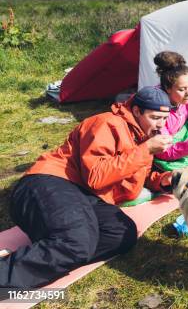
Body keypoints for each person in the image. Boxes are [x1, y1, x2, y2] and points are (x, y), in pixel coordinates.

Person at [0, 87, 175, 289]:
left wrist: (162, 180)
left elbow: (134, 173)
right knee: (76, 241)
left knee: (122, 234)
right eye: (155, 117)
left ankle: (57, 249)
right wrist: (145, 150)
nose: (161, 125)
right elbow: (96, 177)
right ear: (136, 111)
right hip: (50, 181)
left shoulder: (142, 136)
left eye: (164, 118)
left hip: (84, 195)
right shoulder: (107, 123)